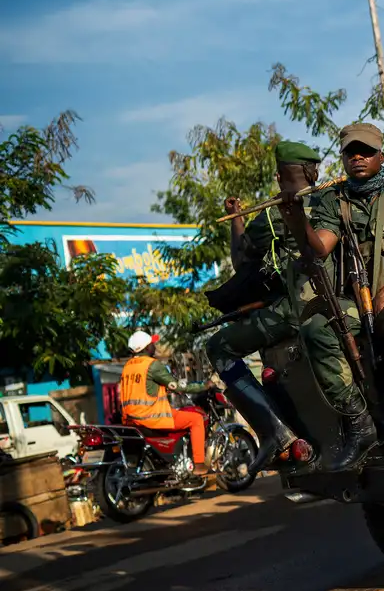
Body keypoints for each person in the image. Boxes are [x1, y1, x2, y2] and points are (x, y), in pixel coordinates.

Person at [278, 122, 384, 471]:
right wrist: (297, 221)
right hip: (357, 301)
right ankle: (359, 424)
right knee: (317, 327)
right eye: (351, 153)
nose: (358, 158)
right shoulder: (334, 199)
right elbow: (320, 247)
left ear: (381, 156)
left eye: (366, 151)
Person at [206, 141, 326, 474]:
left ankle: (276, 432)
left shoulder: (273, 214)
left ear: (279, 175)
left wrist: (236, 219)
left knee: (218, 347)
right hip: (339, 304)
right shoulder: (333, 200)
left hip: (295, 310)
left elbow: (241, 260)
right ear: (312, 171)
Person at [121, 331, 215, 475]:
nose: (155, 345)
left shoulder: (128, 366)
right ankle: (199, 465)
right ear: (146, 347)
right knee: (196, 419)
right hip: (151, 417)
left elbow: (144, 389)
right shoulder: (152, 365)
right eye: (152, 343)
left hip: (131, 419)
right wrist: (203, 386)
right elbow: (176, 386)